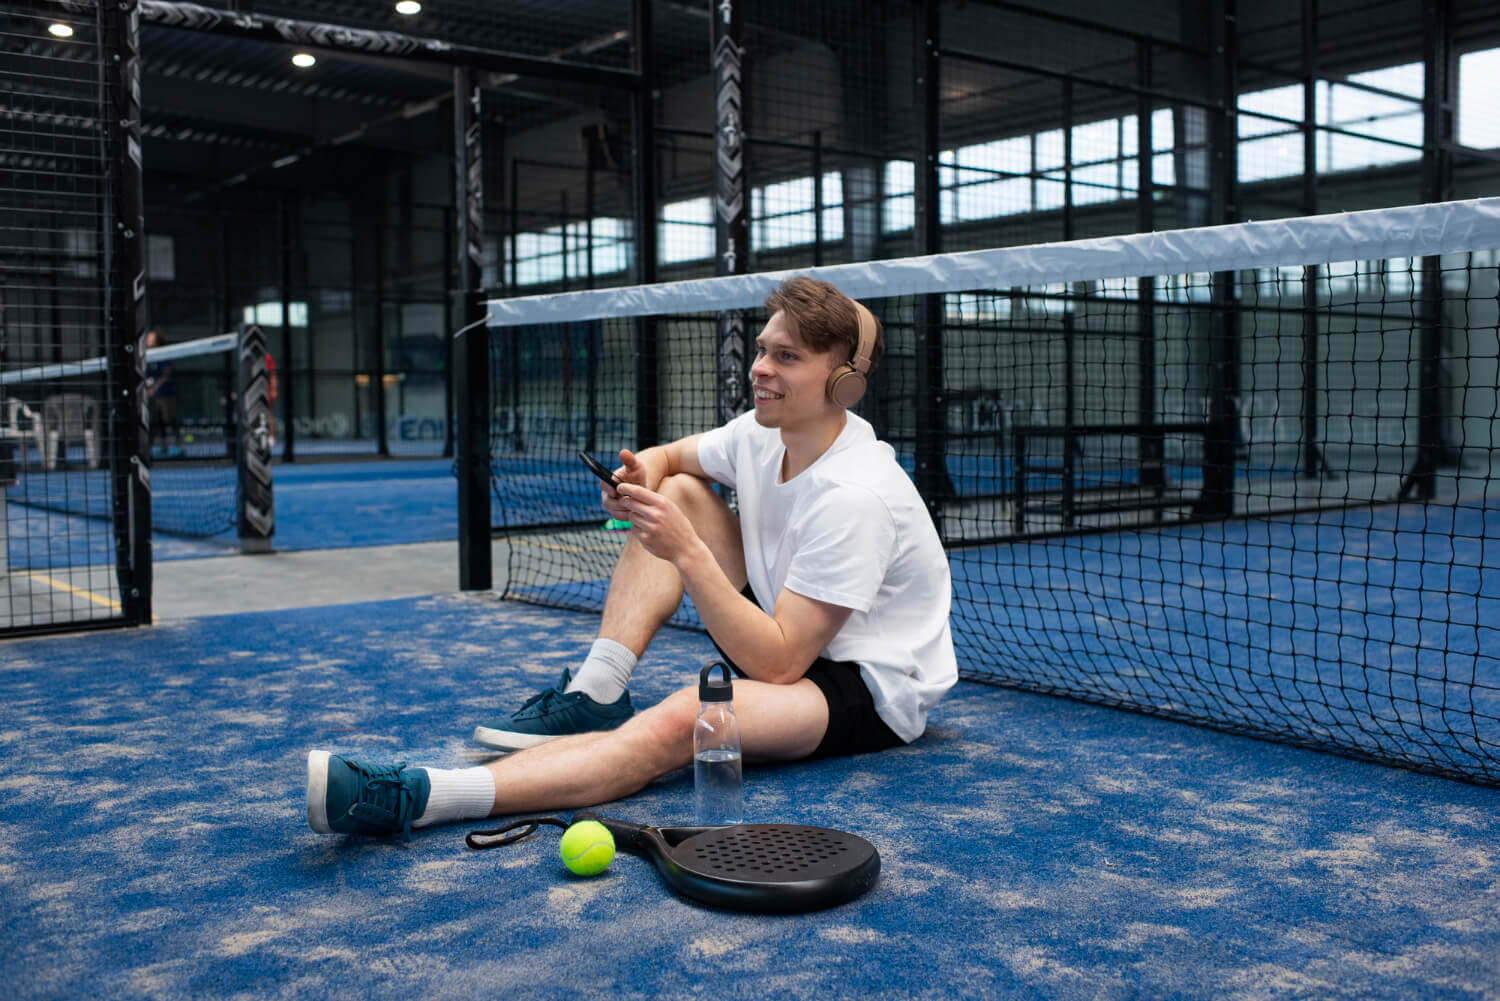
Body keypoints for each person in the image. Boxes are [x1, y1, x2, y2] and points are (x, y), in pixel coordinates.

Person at [305, 277, 958, 839]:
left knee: (685, 719)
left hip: (856, 684)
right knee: (675, 490)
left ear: (841, 383)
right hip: (787, 627)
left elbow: (781, 663)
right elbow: (671, 458)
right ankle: (599, 686)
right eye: (762, 348)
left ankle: (422, 796)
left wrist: (685, 550)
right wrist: (639, 475)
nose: (760, 367)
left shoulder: (856, 495)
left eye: (785, 357)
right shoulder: (762, 433)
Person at [143, 330, 177, 455]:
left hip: (165, 395)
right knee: (154, 423)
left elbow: (166, 374)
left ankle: (179, 447)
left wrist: (154, 388)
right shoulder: (145, 356)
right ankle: (152, 448)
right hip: (152, 398)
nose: (148, 341)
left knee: (169, 421)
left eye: (151, 338)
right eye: (148, 338)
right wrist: (147, 389)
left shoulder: (163, 355)